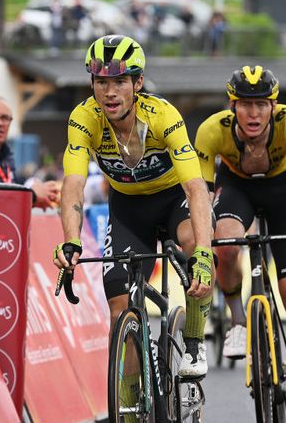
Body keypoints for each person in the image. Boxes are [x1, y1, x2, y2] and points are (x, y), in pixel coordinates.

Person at [53, 35, 214, 384]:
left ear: (137, 83)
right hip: (127, 207)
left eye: (120, 81)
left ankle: (195, 342)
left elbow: (195, 186)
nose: (110, 92)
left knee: (193, 242)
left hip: (174, 199)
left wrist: (204, 251)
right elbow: (74, 184)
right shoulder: (84, 118)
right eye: (101, 81)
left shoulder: (162, 115)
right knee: (119, 311)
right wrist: (70, 240)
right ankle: (130, 422)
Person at [194, 65, 286, 423]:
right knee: (227, 243)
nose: (253, 114)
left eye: (261, 105)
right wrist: (202, 246)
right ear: (232, 106)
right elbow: (200, 195)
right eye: (245, 105)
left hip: (283, 193)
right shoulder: (210, 131)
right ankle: (236, 320)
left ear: (273, 106)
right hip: (239, 189)